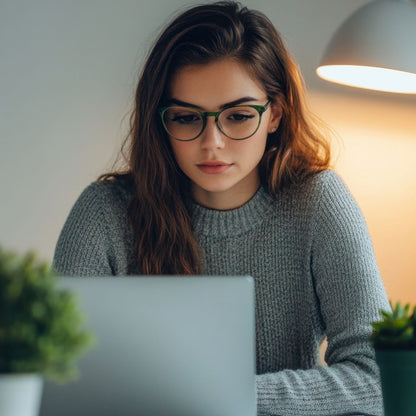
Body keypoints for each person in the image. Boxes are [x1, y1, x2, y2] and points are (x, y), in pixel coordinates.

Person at [53, 1, 390, 415]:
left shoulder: (318, 201)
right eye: (186, 118)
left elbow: (378, 377)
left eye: (238, 116)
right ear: (161, 121)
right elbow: (54, 373)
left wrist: (230, 396)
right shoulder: (103, 214)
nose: (212, 142)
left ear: (275, 115)